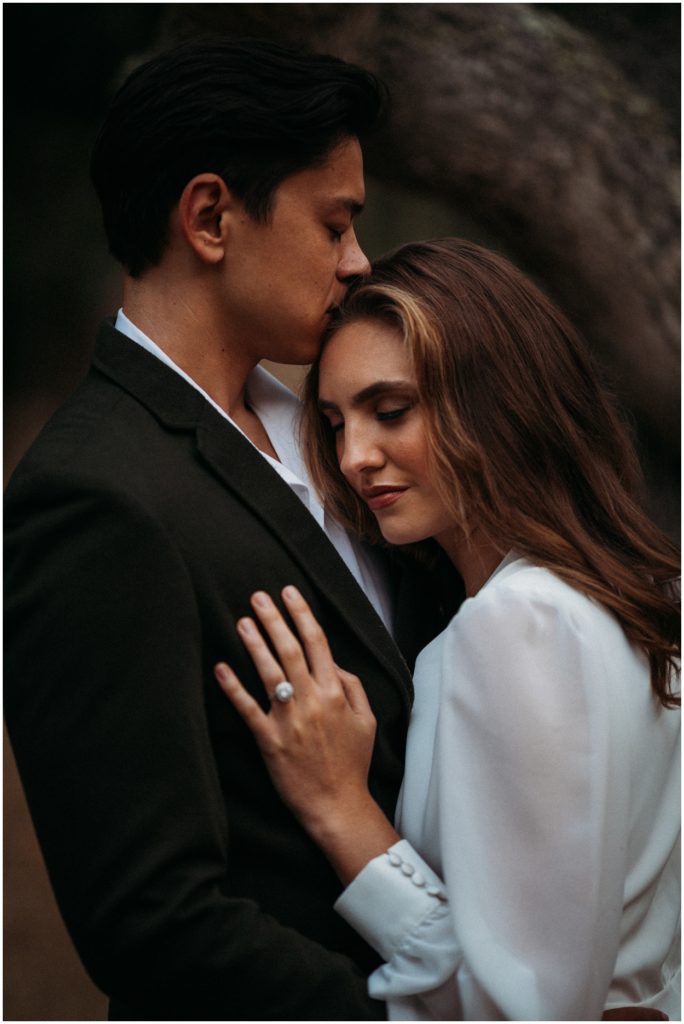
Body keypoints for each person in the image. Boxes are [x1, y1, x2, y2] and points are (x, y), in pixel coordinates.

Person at [4, 41, 459, 1021]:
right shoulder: (92, 498)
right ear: (211, 217)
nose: (357, 261)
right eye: (335, 223)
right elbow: (151, 916)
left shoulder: (340, 427)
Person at [216, 238, 681, 1021]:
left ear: (499, 402)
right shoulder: (622, 595)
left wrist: (342, 811)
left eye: (390, 410)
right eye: (332, 423)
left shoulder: (521, 623)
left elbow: (516, 1008)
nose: (356, 457)